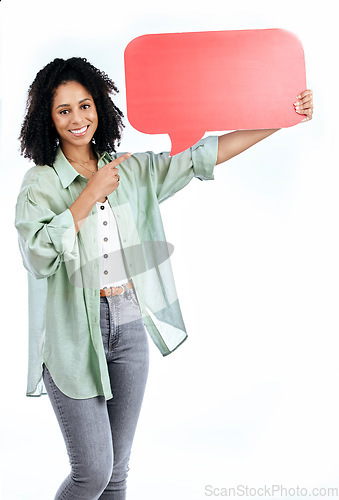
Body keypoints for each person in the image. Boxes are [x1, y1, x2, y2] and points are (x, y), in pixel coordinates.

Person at [14, 56, 313, 500]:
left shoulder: (132, 169)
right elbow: (37, 257)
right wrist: (89, 195)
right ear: (48, 118)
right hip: (73, 335)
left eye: (84, 105)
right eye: (63, 111)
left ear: (100, 107)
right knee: (92, 473)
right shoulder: (39, 183)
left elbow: (203, 156)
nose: (77, 119)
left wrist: (282, 118)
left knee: (116, 474)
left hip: (130, 325)